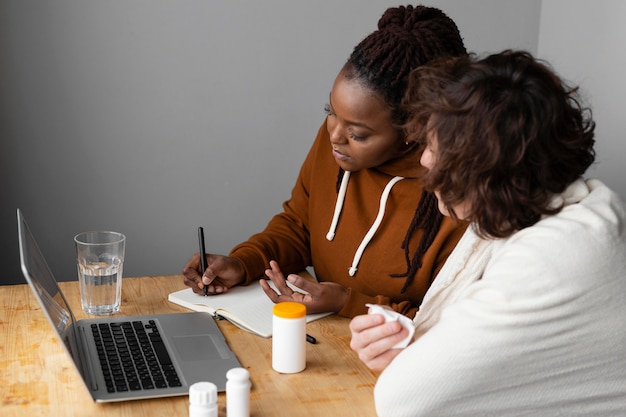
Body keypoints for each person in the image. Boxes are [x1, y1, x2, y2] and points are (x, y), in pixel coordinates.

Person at [349, 50, 626, 416]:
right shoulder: (567, 209)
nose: (425, 160)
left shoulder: (552, 259)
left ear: (484, 170)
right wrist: (410, 350)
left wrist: (410, 363)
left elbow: (402, 401)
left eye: (435, 147)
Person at [182, 5, 468, 318]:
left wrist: (349, 302)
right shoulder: (337, 142)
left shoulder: (458, 194)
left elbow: (448, 327)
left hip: (391, 355)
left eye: (358, 134)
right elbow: (299, 225)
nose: (334, 135)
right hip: (321, 337)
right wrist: (244, 263)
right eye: (330, 111)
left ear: (412, 129)